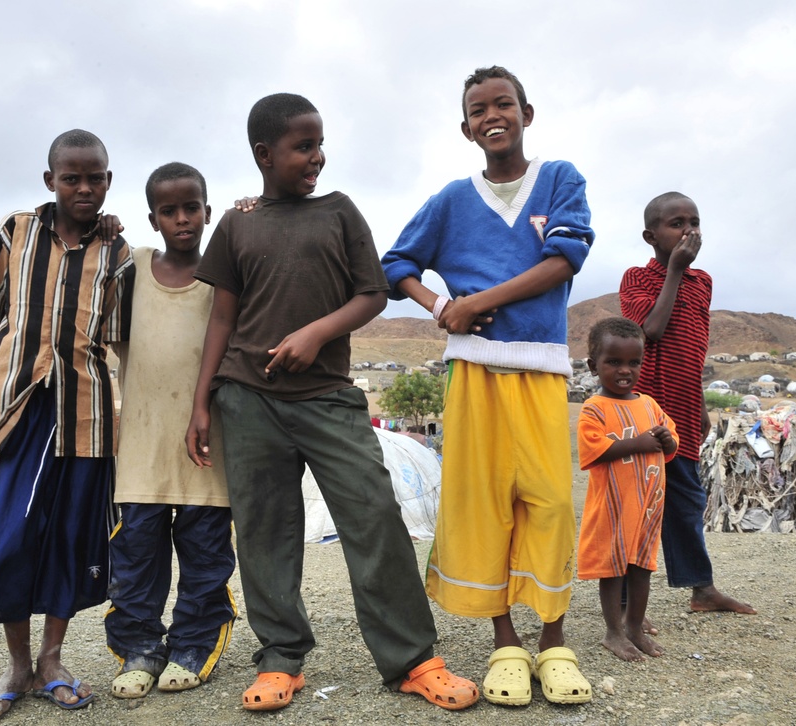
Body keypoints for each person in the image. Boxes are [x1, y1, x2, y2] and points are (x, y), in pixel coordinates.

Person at [185, 92, 478, 713]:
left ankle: (413, 659)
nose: (317, 156)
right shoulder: (237, 223)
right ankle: (280, 657)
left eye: (319, 143)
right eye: (303, 146)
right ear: (264, 154)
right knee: (265, 530)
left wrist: (316, 333)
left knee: (372, 513)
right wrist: (202, 402)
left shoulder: (339, 212)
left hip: (326, 396)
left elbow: (373, 294)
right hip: (247, 396)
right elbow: (220, 319)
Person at [381, 66, 594, 707]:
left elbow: (565, 259)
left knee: (550, 501)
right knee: (486, 503)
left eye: (504, 103)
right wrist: (442, 305)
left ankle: (553, 641)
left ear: (528, 112)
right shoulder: (451, 198)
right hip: (472, 370)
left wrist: (479, 301)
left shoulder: (558, 179)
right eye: (479, 109)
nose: (492, 115)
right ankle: (507, 642)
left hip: (540, 369)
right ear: (466, 126)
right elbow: (396, 264)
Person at [0, 129, 132, 722]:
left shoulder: (118, 253)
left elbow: (113, 334)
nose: (84, 188)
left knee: (70, 538)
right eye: (71, 177)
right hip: (19, 411)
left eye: (96, 177)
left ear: (109, 180)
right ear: (49, 180)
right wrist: (20, 366)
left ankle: (52, 661)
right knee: (9, 537)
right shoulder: (14, 232)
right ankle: (16, 664)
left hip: (86, 415)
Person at [105, 163, 237, 700]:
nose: (182, 219)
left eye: (192, 208)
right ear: (153, 218)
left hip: (209, 444)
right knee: (136, 553)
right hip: (141, 445)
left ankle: (192, 645)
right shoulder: (131, 269)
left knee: (205, 554)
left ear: (208, 210)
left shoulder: (226, 273)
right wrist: (104, 228)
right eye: (169, 211)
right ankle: (138, 648)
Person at [619, 192, 756, 623]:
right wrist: (674, 270)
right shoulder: (636, 279)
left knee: (687, 502)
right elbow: (650, 332)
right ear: (651, 235)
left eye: (694, 222)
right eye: (677, 223)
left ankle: (702, 588)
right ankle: (623, 603)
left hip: (681, 409)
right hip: (644, 413)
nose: (689, 231)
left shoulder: (705, 282)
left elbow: (693, 350)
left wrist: (699, 404)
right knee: (639, 504)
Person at [576, 317, 678, 662]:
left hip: (648, 506)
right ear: (594, 366)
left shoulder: (649, 405)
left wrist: (666, 439)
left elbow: (670, 440)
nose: (625, 370)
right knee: (614, 569)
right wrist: (639, 442)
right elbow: (595, 449)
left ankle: (634, 627)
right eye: (614, 362)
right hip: (614, 507)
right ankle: (614, 632)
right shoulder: (594, 408)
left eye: (634, 362)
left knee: (642, 567)